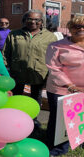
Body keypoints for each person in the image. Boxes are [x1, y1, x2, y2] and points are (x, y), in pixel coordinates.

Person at [2, 9, 57, 127]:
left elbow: (54, 57)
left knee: (36, 97)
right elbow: (6, 53)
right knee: (16, 96)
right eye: (29, 19)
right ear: (24, 21)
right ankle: (15, 118)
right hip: (17, 72)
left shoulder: (50, 36)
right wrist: (6, 71)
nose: (33, 22)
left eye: (37, 20)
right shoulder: (14, 34)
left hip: (39, 73)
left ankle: (33, 119)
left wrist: (50, 75)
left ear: (42, 22)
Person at [46, 16, 84, 156]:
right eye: (76, 26)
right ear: (70, 28)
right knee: (60, 122)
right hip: (62, 89)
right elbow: (53, 68)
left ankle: (80, 139)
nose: (80, 29)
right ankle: (58, 149)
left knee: (81, 118)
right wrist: (71, 86)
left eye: (83, 26)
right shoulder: (56, 46)